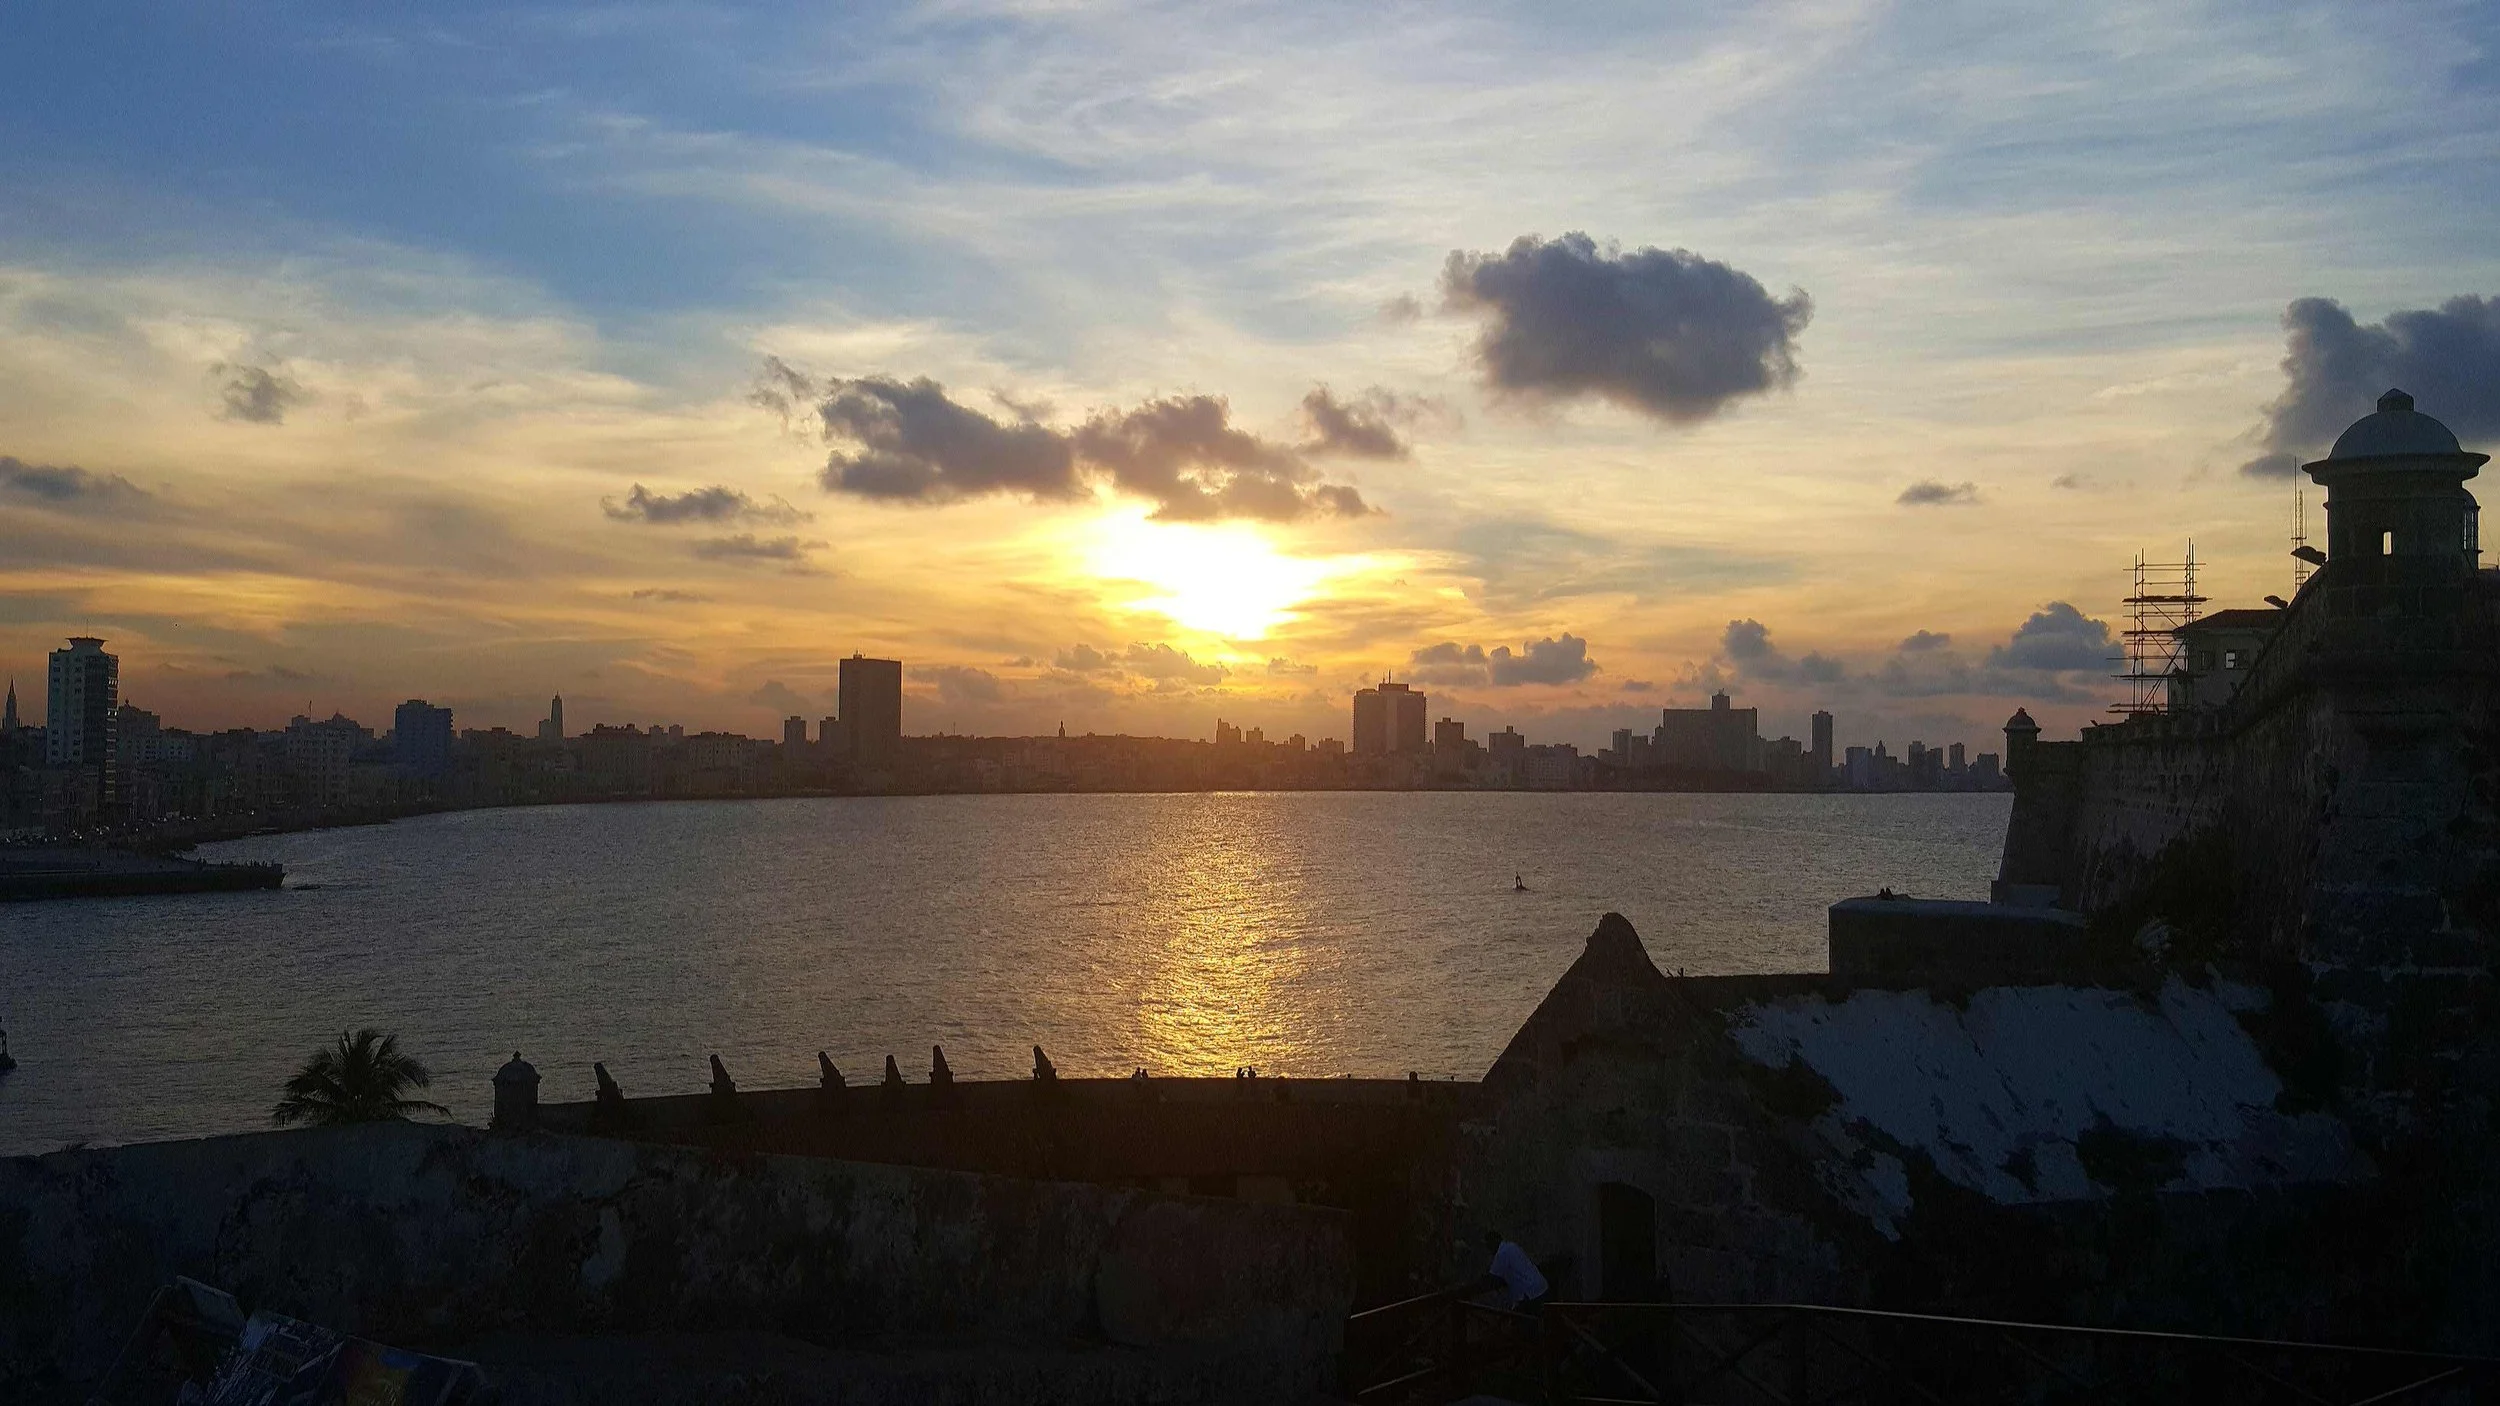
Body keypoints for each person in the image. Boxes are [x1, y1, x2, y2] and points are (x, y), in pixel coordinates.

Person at [1479, 1229, 1549, 1312]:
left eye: (1488, 1244)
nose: (1488, 1248)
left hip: (1531, 1293)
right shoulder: (1512, 1246)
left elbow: (1492, 1279)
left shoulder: (1501, 1253)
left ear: (1494, 1241)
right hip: (1540, 1287)